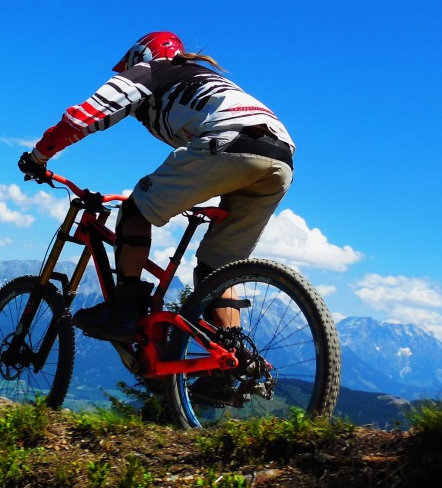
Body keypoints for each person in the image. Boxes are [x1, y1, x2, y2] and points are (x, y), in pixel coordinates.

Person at [18, 30, 294, 345]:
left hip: (228, 140)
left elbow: (82, 118)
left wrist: (38, 157)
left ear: (141, 55)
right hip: (281, 157)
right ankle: (233, 355)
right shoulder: (205, 80)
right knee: (216, 269)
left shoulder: (149, 71)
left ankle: (124, 311)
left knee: (135, 210)